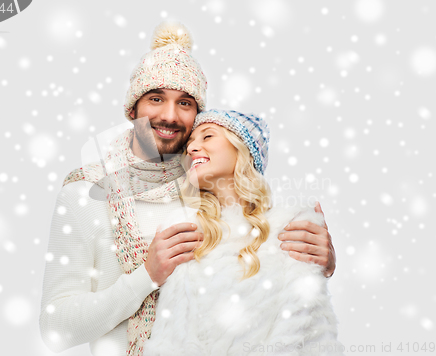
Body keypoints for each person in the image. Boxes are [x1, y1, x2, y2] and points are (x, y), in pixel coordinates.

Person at [39, 21, 337, 356]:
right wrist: (147, 276)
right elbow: (56, 329)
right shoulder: (85, 194)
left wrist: (316, 260)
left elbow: (259, 276)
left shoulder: (207, 185)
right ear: (133, 108)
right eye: (156, 98)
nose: (170, 115)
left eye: (185, 103)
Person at [143, 109, 344, 356]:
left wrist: (325, 264)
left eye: (207, 137)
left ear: (242, 149)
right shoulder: (182, 230)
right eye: (190, 144)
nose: (192, 148)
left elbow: (308, 330)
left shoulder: (290, 225)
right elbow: (172, 339)